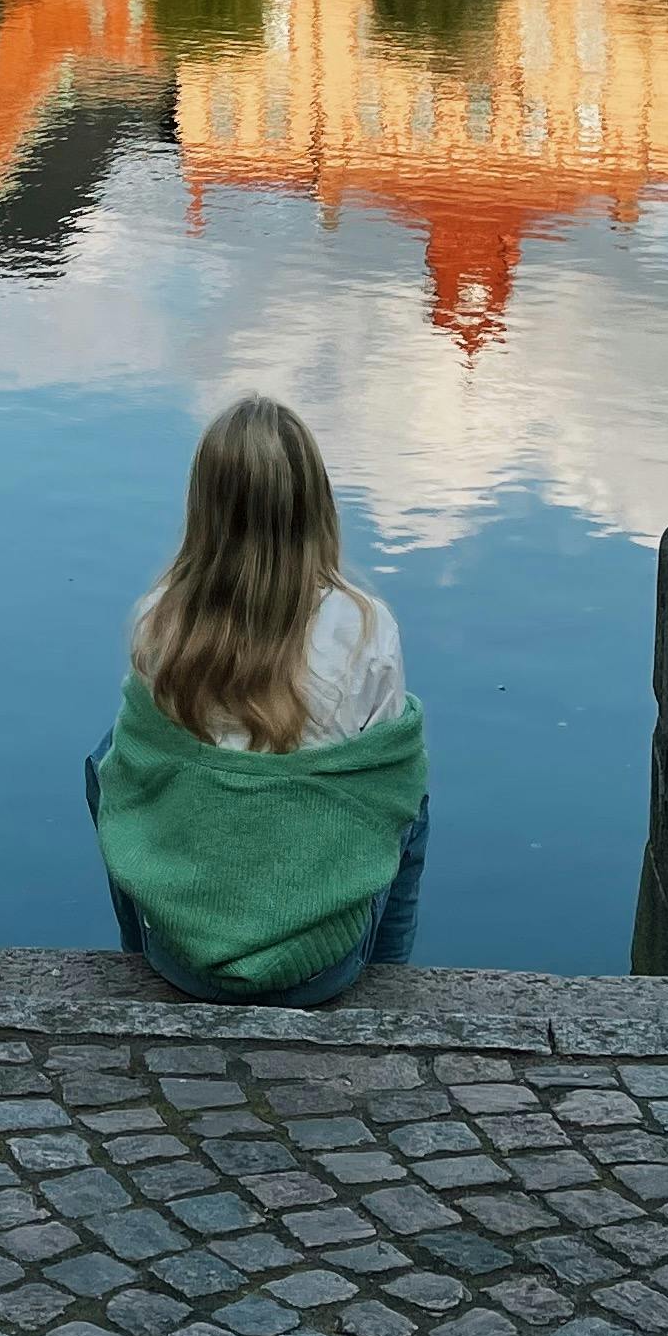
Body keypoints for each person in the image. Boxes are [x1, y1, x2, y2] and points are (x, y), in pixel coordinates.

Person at [88, 395, 425, 1006]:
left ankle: (141, 943)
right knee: (406, 784)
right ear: (315, 505)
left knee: (111, 755)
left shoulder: (158, 620)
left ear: (204, 508)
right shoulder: (368, 627)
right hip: (321, 971)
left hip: (182, 962)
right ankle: (388, 976)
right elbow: (389, 797)